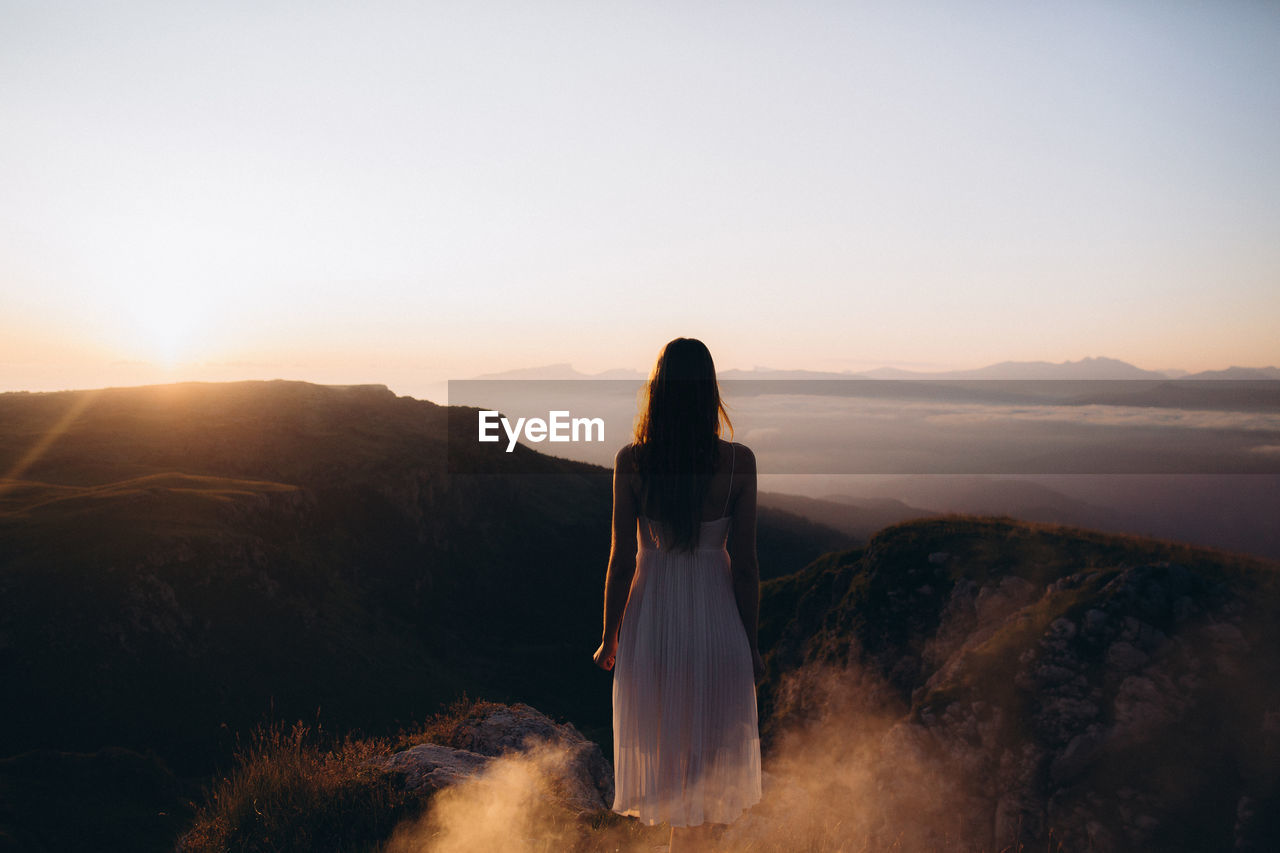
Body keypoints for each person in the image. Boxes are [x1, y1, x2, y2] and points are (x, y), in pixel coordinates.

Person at [593, 337, 764, 853]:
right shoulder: (739, 462)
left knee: (675, 777)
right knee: (707, 783)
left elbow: (623, 560)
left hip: (655, 626)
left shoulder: (632, 461)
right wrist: (751, 645)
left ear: (658, 392)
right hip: (717, 627)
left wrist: (608, 639)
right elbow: (748, 567)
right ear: (710, 391)